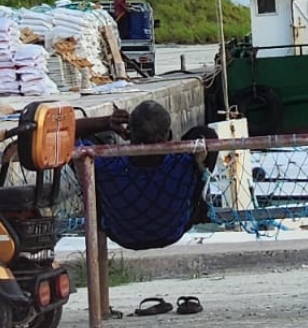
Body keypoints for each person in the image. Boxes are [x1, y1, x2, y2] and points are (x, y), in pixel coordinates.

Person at [79, 100, 218, 251]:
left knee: (88, 158)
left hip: (121, 233)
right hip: (173, 230)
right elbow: (209, 135)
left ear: (128, 134)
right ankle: (201, 203)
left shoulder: (106, 163)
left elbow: (65, 133)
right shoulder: (183, 162)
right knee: (199, 142)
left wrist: (107, 122)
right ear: (169, 136)